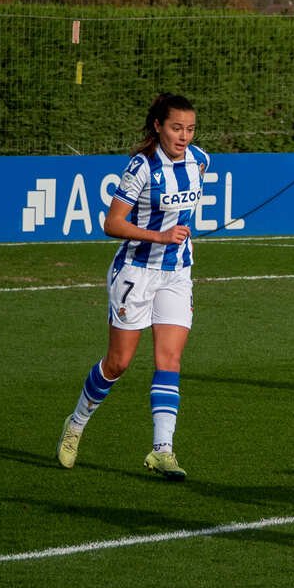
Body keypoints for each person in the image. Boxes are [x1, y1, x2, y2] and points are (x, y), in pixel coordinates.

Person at [56, 93, 209, 481]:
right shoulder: (141, 167)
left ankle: (162, 450)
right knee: (118, 363)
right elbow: (112, 223)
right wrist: (160, 236)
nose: (184, 136)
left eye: (190, 129)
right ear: (158, 126)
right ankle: (76, 423)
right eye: (176, 128)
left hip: (177, 273)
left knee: (169, 359)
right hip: (136, 273)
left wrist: (178, 237)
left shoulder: (200, 161)